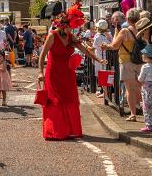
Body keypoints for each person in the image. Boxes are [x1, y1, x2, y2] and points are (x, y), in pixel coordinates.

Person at [38, 8, 106, 140]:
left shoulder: (70, 36)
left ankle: (69, 130)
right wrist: (40, 72)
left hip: (68, 73)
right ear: (62, 26)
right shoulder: (52, 35)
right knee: (55, 101)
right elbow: (43, 55)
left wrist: (98, 59)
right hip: (54, 74)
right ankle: (55, 131)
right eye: (70, 27)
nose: (71, 30)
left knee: (69, 99)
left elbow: (85, 50)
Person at [102, 8, 142, 122]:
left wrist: (109, 42)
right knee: (140, 87)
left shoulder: (124, 31)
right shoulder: (141, 29)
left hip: (126, 61)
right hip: (140, 60)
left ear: (128, 19)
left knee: (130, 89)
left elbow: (114, 45)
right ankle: (141, 107)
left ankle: (133, 114)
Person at [137, 44, 152, 132]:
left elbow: (140, 79)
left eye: (143, 54)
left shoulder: (145, 66)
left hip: (147, 87)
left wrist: (137, 76)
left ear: (147, 56)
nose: (142, 55)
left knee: (147, 106)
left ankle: (149, 125)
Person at [92, 19, 112, 98]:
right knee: (109, 74)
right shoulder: (109, 34)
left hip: (100, 57)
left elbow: (94, 47)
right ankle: (109, 93)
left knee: (102, 75)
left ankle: (106, 94)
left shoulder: (98, 36)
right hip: (109, 57)